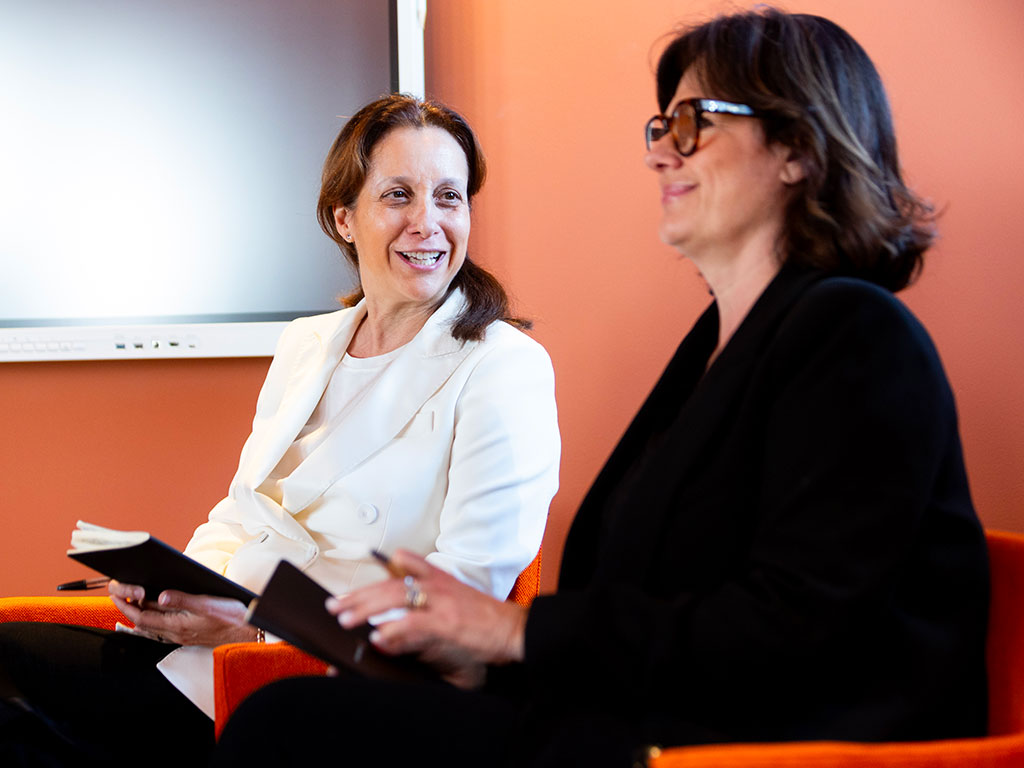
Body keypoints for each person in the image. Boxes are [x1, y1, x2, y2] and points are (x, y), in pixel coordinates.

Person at [213, 8, 989, 768]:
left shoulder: (858, 336)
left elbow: (791, 628)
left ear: (798, 149)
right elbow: (649, 602)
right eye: (660, 130)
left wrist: (508, 635)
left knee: (287, 727)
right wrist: (475, 651)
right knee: (286, 720)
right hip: (632, 714)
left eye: (692, 124)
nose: (660, 155)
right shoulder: (722, 344)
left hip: (742, 744)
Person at [0, 94, 559, 766]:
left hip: (332, 685)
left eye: (449, 197)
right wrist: (179, 592)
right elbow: (242, 515)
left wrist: (254, 626)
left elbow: (461, 599)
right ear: (343, 218)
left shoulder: (504, 367)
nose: (428, 223)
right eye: (399, 196)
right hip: (213, 652)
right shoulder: (306, 344)